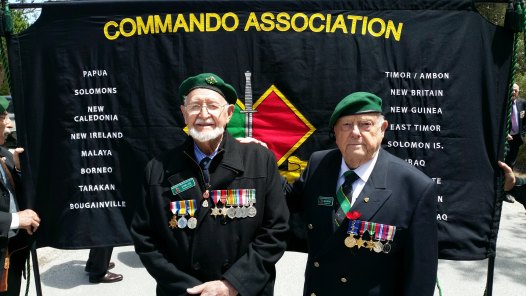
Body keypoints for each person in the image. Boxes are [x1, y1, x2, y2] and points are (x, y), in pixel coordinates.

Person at [131, 73, 289, 296]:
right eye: (195, 106)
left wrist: (232, 284)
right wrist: (188, 289)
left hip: (244, 290)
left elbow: (276, 230)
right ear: (184, 114)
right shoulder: (158, 168)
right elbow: (145, 239)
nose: (203, 114)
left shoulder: (259, 160)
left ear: (229, 114)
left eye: (213, 106)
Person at [285, 92, 438, 295]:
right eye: (346, 125)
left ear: (382, 129)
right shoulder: (318, 165)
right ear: (335, 133)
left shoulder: (415, 187)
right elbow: (283, 198)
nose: (355, 133)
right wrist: (258, 159)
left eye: (365, 124)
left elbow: (420, 277)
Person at [0, 96, 41, 296]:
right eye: (2, 118)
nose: (8, 124)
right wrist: (16, 219)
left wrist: (18, 168)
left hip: (12, 257)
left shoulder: (4, 154)